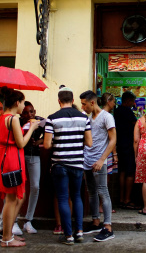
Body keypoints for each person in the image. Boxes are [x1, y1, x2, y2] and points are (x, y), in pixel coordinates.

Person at [44, 87, 92, 245]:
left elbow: (46, 145)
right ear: (72, 101)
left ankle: (68, 235)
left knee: (63, 198)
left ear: (58, 101)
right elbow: (89, 142)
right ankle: (79, 232)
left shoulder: (52, 119)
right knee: (77, 196)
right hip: (77, 163)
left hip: (59, 164)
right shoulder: (84, 118)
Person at [0, 86, 39, 247]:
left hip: (5, 156)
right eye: (23, 102)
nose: (24, 106)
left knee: (13, 198)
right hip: (12, 158)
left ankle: (7, 234)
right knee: (11, 199)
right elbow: (21, 143)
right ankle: (6, 238)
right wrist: (32, 128)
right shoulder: (13, 118)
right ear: (17, 102)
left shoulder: (2, 117)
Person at [80, 90, 116, 242]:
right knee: (92, 192)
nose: (83, 107)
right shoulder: (88, 118)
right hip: (87, 161)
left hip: (99, 162)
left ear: (92, 103)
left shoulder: (107, 117)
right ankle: (96, 222)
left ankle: (107, 227)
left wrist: (102, 159)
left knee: (103, 192)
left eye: (84, 104)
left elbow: (113, 140)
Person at [16, 101, 45, 234]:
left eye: (31, 111)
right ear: (21, 114)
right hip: (20, 156)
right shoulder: (18, 122)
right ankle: (14, 220)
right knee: (18, 187)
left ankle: (29, 219)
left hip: (35, 156)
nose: (29, 114)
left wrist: (39, 141)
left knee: (35, 186)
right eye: (26, 112)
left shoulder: (40, 122)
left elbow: (50, 134)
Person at [114, 91, 138, 209]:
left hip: (119, 144)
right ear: (128, 101)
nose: (133, 103)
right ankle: (127, 200)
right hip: (128, 145)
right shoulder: (127, 111)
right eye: (133, 101)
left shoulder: (117, 111)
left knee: (122, 172)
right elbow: (136, 124)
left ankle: (121, 199)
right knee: (130, 172)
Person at [100, 93, 118, 213]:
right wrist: (115, 153)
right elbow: (112, 138)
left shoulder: (97, 115)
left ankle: (101, 206)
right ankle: (103, 206)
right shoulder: (108, 116)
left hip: (100, 151)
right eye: (113, 101)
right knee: (105, 180)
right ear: (108, 101)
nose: (114, 103)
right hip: (106, 152)